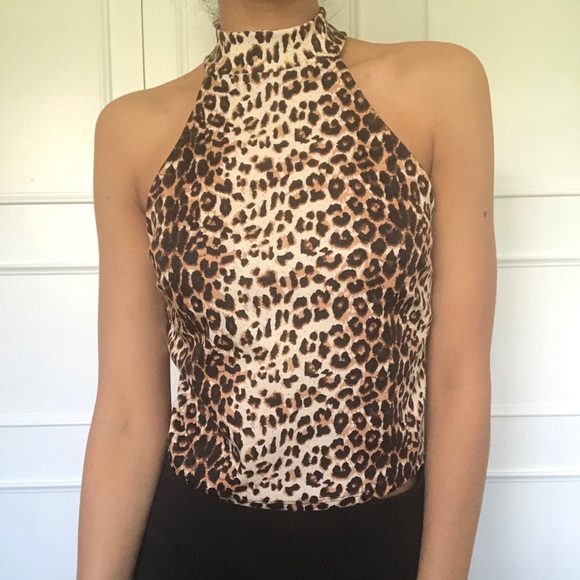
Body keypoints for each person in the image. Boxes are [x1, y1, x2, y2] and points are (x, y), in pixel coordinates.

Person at [77, 0, 496, 578]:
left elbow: (459, 374)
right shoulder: (129, 131)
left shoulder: (443, 85)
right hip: (193, 544)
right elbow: (126, 414)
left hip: (381, 547)